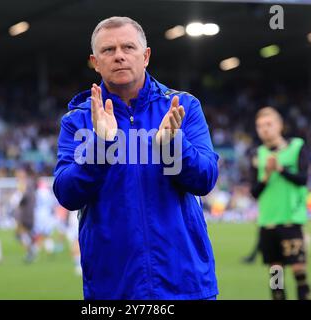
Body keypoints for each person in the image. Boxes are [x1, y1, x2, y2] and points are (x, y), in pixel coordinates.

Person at [53, 16, 219, 299]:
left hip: (185, 283)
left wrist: (172, 145)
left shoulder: (183, 106)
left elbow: (205, 179)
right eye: (108, 50)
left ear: (146, 56)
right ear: (94, 61)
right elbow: (67, 194)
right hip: (113, 288)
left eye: (128, 47)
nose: (119, 56)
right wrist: (102, 145)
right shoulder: (78, 120)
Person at [250, 107, 311, 300]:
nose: (264, 129)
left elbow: (303, 179)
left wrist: (280, 169)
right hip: (267, 222)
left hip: (290, 220)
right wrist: (266, 175)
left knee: (299, 270)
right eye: (260, 126)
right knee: (276, 277)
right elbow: (254, 192)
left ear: (280, 125)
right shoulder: (257, 155)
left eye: (268, 124)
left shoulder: (297, 147)